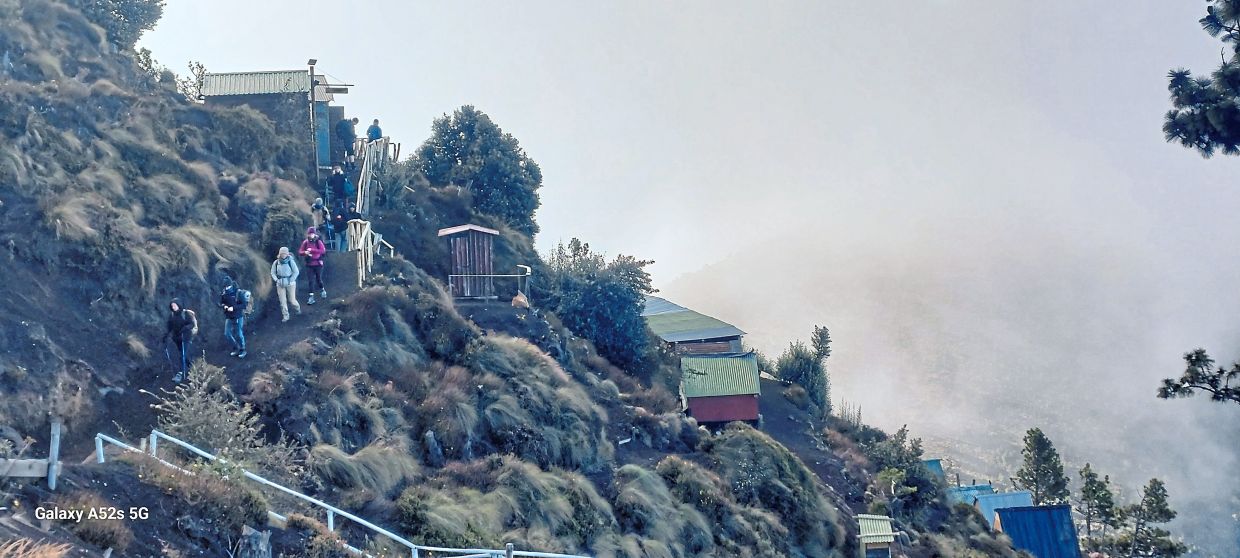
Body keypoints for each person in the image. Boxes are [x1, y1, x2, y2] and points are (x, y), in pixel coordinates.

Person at [162, 298, 198, 382]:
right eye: (172, 306)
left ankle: (181, 374)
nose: (173, 307)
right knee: (183, 355)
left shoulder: (186, 313)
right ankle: (193, 368)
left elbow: (192, 324)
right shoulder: (172, 315)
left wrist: (185, 328)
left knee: (182, 355)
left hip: (186, 337)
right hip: (177, 338)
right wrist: (166, 335)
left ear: (179, 304)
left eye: (174, 305)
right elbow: (169, 327)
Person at [270, 247, 301, 322]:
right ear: (279, 254)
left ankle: (297, 309)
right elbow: (273, 272)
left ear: (287, 254)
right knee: (282, 301)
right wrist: (276, 280)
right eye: (282, 253)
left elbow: (296, 272)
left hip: (290, 283)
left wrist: (290, 280)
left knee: (292, 300)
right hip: (280, 283)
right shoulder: (276, 262)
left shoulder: (291, 262)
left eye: (284, 253)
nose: (283, 255)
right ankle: (286, 316)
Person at [219, 283, 248, 358]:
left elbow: (244, 305)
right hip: (229, 316)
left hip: (238, 316)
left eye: (228, 286)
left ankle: (243, 349)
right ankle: (236, 347)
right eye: (225, 286)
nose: (227, 288)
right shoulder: (224, 293)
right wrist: (224, 306)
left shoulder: (238, 293)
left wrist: (233, 308)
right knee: (227, 333)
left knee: (239, 333)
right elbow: (221, 303)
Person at [299, 227, 327, 304]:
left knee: (318, 279)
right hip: (309, 264)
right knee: (310, 281)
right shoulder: (305, 242)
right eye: (310, 233)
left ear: (315, 234)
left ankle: (322, 290)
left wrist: (312, 250)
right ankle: (311, 297)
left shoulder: (318, 242)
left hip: (318, 263)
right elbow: (300, 251)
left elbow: (322, 251)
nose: (311, 235)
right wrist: (305, 252)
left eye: (312, 233)